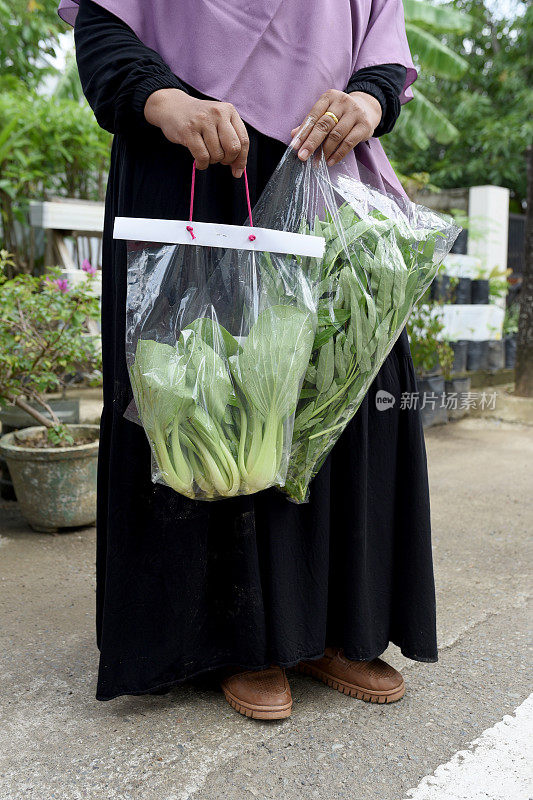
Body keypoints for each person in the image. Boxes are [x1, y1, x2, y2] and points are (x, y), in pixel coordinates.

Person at [58, 0, 437, 720]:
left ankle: (334, 625)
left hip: (321, 168)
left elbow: (382, 50)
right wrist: (161, 99)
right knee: (207, 397)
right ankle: (236, 638)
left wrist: (365, 101)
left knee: (345, 385)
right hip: (193, 159)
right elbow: (104, 22)